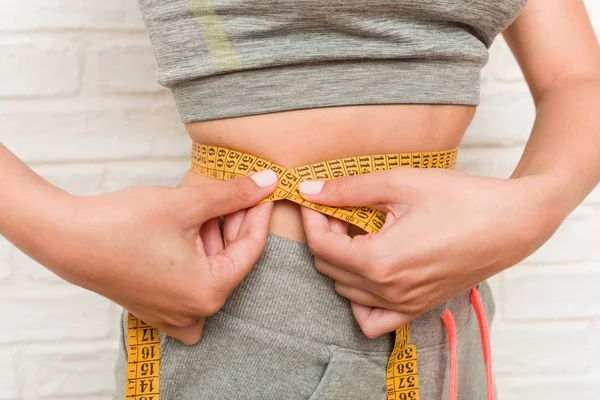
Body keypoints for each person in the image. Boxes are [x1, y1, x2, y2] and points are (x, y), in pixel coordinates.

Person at [1, 0, 599, 399]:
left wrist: (537, 205)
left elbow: (577, 77)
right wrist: (57, 229)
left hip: (451, 306)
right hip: (254, 312)